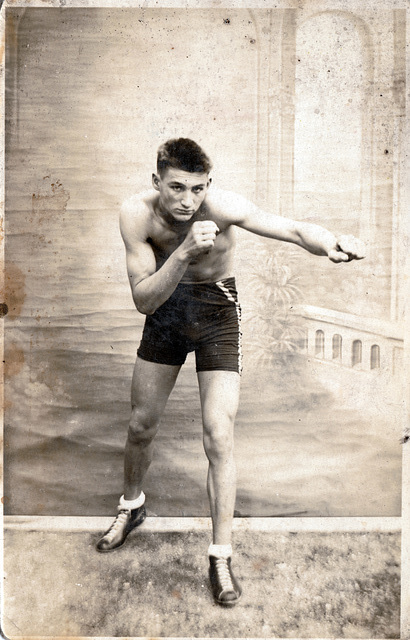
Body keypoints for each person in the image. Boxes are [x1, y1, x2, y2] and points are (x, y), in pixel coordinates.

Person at [96, 138, 365, 607]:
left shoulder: (222, 207)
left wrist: (332, 242)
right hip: (165, 305)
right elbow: (143, 300)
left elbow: (294, 229)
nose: (187, 201)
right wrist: (181, 254)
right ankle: (131, 506)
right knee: (141, 425)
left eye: (197, 189)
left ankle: (220, 555)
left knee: (218, 434)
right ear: (156, 181)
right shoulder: (135, 215)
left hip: (218, 310)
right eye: (176, 187)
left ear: (209, 186)